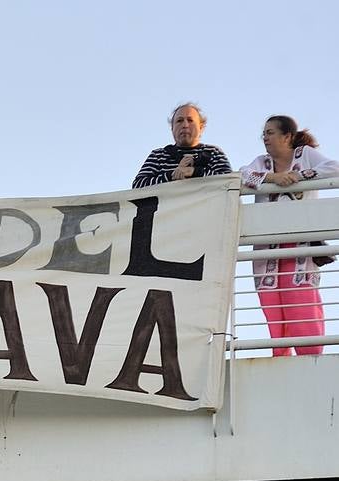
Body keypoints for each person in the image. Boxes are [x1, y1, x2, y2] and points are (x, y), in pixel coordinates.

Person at [239, 115, 339, 356]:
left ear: (287, 137)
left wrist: (299, 177)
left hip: (300, 247)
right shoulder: (262, 163)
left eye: (270, 132)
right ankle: (280, 358)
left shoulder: (303, 154)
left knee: (301, 307)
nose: (265, 137)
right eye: (264, 133)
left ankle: (311, 362)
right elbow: (241, 175)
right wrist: (273, 178)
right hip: (267, 249)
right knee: (273, 311)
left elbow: (334, 168)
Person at [132, 103, 233, 188]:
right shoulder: (158, 155)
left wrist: (194, 172)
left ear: (201, 127)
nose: (185, 125)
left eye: (190, 120)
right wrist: (171, 175)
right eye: (179, 121)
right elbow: (138, 185)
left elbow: (230, 182)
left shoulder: (214, 152)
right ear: (172, 128)